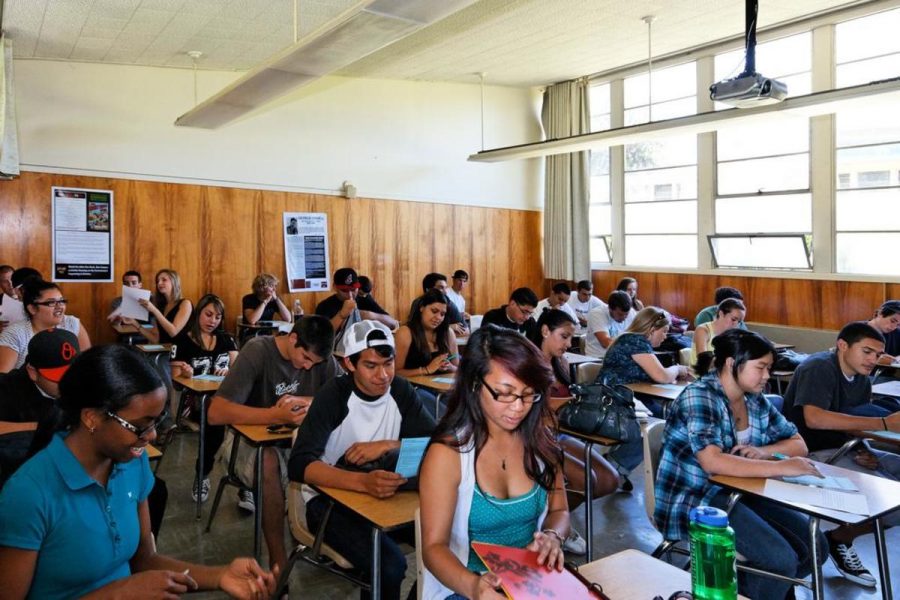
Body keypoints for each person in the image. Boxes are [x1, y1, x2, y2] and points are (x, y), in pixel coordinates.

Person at [0, 344, 276, 599]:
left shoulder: (131, 461)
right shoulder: (30, 493)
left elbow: (144, 560)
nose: (153, 435)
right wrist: (118, 594)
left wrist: (219, 575)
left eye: (157, 422)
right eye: (140, 425)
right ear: (91, 417)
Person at [655, 329, 826, 600]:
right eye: (761, 367)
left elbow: (797, 443)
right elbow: (712, 461)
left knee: (816, 547)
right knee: (779, 560)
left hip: (744, 491)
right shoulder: (700, 396)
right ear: (732, 363)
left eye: (768, 368)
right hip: (697, 499)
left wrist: (763, 451)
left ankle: (746, 587)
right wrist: (781, 465)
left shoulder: (754, 399)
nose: (767, 376)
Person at [419, 325, 570, 600]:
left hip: (528, 582)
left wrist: (552, 536)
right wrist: (475, 588)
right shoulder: (448, 454)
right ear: (475, 385)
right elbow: (433, 547)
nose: (518, 406)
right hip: (465, 586)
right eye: (504, 393)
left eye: (529, 394)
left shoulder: (541, 443)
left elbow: (560, 511)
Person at [288, 321, 436, 600]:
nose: (383, 375)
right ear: (349, 364)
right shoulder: (334, 395)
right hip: (328, 502)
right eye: (371, 366)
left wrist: (389, 444)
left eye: (388, 363)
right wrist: (362, 482)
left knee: (446, 548)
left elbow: (441, 443)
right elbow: (299, 464)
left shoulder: (401, 391)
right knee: (390, 565)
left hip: (385, 497)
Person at [207, 316, 339, 573]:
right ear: (293, 339)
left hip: (296, 443)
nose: (309, 367)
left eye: (317, 363)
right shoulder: (258, 351)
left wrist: (306, 400)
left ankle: (333, 539)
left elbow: (342, 397)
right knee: (268, 461)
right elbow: (216, 412)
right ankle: (278, 562)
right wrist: (275, 415)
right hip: (246, 444)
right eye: (306, 359)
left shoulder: (321, 358)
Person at [782, 321, 900, 588]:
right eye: (867, 352)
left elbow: (854, 421)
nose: (873, 360)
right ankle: (840, 538)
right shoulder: (819, 367)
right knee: (892, 500)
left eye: (877, 354)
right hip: (811, 453)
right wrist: (883, 424)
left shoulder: (861, 377)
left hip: (845, 447)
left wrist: (862, 448)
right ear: (842, 345)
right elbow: (814, 419)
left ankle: (839, 538)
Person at [528, 310, 618, 554]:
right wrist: (577, 399)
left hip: (559, 432)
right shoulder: (526, 362)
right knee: (587, 480)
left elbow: (564, 405)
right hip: (534, 435)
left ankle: (556, 521)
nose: (569, 344)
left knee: (610, 480)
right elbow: (541, 407)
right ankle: (556, 527)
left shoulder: (562, 362)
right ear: (545, 331)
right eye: (564, 337)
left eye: (571, 338)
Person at [597, 306, 688, 484]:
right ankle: (614, 466)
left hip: (625, 398)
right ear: (652, 329)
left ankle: (618, 465)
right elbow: (661, 376)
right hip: (613, 402)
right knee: (663, 426)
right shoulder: (634, 341)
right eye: (664, 331)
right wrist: (677, 368)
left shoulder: (634, 341)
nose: (665, 336)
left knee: (669, 420)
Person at [170, 294, 239, 503]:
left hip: (225, 396)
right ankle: (203, 475)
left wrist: (227, 371)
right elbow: (175, 380)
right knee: (214, 424)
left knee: (242, 428)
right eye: (208, 315)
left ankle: (246, 483)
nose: (212, 321)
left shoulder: (226, 338)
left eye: (218, 317)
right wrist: (185, 373)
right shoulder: (182, 340)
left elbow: (238, 369)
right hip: (195, 400)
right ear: (198, 313)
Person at [0, 329, 80, 485]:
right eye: (59, 378)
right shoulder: (6, 392)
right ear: (33, 372)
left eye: (73, 374)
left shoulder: (82, 385)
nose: (70, 383)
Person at [0, 279, 92, 373]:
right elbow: (3, 377)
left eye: (61, 301)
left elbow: (88, 364)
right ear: (32, 309)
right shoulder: (15, 334)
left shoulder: (71, 323)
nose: (59, 306)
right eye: (51, 302)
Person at [316, 267, 396, 340]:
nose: (350, 294)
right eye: (344, 291)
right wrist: (341, 315)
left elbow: (392, 324)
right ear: (335, 287)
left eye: (353, 289)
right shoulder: (325, 306)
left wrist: (370, 315)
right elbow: (321, 336)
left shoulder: (363, 298)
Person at [395, 289, 459, 379]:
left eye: (442, 314)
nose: (438, 318)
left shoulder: (448, 333)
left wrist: (449, 367)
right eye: (434, 311)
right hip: (415, 387)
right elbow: (395, 373)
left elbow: (458, 369)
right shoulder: (405, 332)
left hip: (440, 386)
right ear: (422, 307)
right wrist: (426, 370)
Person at [135, 269, 193, 345]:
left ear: (174, 282)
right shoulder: (161, 307)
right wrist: (135, 324)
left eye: (164, 280)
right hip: (163, 351)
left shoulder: (185, 303)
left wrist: (154, 310)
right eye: (157, 281)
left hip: (180, 352)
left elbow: (173, 332)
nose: (159, 283)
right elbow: (156, 339)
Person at [690, 298, 746, 368]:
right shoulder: (703, 330)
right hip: (700, 376)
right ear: (721, 313)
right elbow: (704, 362)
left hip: (720, 375)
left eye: (739, 322)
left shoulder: (732, 334)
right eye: (733, 319)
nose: (736, 324)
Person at [584, 290, 634, 358]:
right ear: (610, 308)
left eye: (626, 314)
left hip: (621, 357)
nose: (624, 317)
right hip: (598, 358)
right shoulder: (597, 314)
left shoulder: (631, 313)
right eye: (620, 314)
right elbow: (606, 343)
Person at [867, 300, 900, 364]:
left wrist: (895, 360)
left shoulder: (897, 333)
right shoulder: (855, 329)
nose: (894, 327)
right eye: (892, 321)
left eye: (898, 325)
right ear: (880, 313)